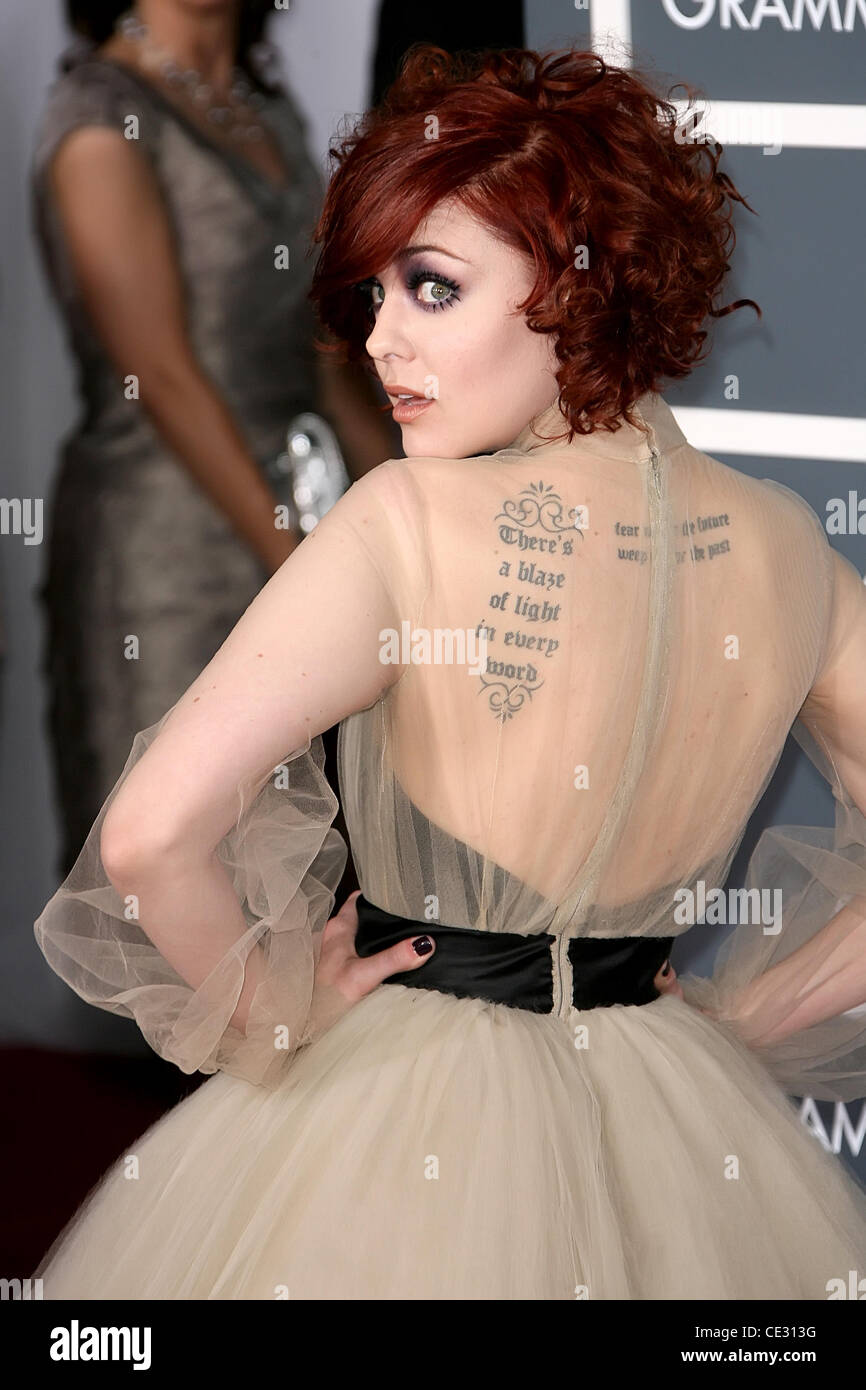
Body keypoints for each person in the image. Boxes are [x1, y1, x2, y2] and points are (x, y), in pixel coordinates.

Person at [31, 45, 866, 1300]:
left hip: (400, 1114)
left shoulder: (404, 522)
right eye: (372, 295)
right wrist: (748, 1021)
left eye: (430, 288)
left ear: (584, 280)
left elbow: (151, 839)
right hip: (687, 1130)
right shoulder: (787, 548)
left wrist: (272, 1015)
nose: (378, 341)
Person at [31, 0, 392, 882]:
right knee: (184, 886)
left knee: (313, 883)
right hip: (166, 559)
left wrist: (414, 528)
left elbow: (327, 360)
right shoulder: (96, 118)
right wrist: (303, 572)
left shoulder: (268, 111)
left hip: (306, 519)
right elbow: (163, 378)